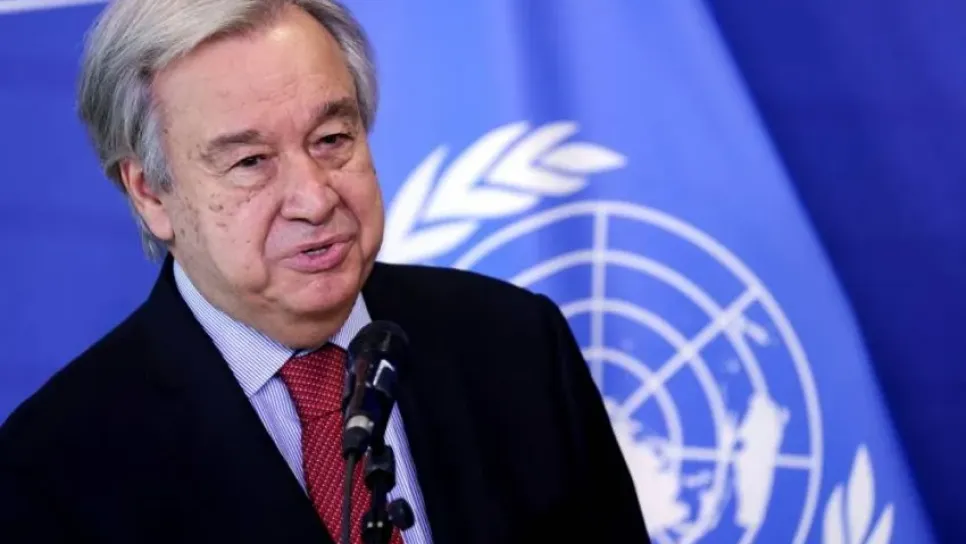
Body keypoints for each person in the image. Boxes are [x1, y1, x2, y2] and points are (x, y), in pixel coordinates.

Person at [0, 1, 650, 542]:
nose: (314, 199)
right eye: (250, 162)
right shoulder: (53, 469)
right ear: (151, 195)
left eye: (332, 140)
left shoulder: (517, 343)